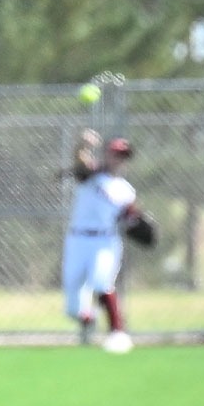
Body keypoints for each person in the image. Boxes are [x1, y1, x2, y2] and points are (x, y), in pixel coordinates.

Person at [62, 130, 141, 354]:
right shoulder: (91, 175)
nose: (119, 159)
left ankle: (118, 333)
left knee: (101, 283)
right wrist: (82, 145)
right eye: (116, 154)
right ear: (107, 154)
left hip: (105, 241)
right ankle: (88, 319)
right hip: (77, 239)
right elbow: (79, 163)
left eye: (123, 156)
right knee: (72, 305)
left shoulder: (126, 190)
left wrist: (137, 221)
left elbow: (130, 216)